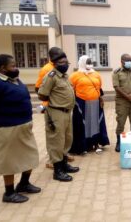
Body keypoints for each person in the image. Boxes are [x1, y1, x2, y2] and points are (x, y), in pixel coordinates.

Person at [0, 54, 40, 203]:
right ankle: (9, 192)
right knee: (9, 162)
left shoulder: (14, 80)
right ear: (2, 68)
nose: (16, 68)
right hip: (6, 129)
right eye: (13, 66)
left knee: (30, 156)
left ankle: (24, 183)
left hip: (23, 127)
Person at [38, 48, 80, 182]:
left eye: (66, 61)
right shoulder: (51, 76)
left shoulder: (65, 76)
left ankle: (64, 164)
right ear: (55, 63)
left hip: (67, 112)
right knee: (56, 141)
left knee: (67, 139)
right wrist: (54, 101)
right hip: (56, 112)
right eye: (62, 62)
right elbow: (42, 94)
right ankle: (58, 171)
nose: (65, 64)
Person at [69, 55, 110, 155]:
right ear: (82, 63)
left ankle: (95, 143)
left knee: (95, 123)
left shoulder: (96, 74)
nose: (89, 65)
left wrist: (100, 98)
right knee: (83, 124)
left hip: (95, 103)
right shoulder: (75, 75)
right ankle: (83, 145)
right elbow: (70, 89)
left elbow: (99, 87)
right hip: (81, 104)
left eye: (90, 63)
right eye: (87, 63)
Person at [112, 54, 131, 152]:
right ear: (122, 61)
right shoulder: (117, 72)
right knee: (121, 122)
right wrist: (127, 96)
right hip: (122, 102)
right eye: (127, 60)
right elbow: (116, 87)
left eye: (130, 60)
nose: (129, 62)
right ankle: (119, 142)